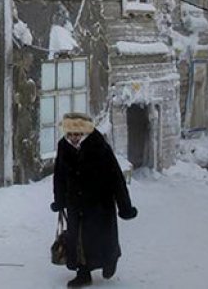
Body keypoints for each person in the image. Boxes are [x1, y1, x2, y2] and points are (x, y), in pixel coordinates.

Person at [51, 112, 138, 287]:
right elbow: (59, 176)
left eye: (77, 134)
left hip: (100, 203)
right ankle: (83, 273)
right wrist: (59, 200)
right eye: (70, 134)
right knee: (78, 240)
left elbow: (116, 177)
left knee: (102, 238)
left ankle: (110, 260)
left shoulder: (99, 146)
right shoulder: (63, 147)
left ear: (85, 133)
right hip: (76, 203)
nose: (74, 138)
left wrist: (125, 207)